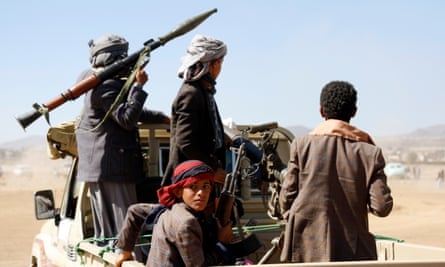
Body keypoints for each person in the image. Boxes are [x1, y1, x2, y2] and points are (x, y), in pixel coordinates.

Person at [278, 80, 393, 263]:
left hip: (306, 251)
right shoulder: (370, 152)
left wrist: (295, 219)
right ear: (354, 112)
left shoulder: (301, 146)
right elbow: (381, 207)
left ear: (321, 111)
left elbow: (286, 200)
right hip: (353, 254)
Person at [76, 33, 169, 245]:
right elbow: (126, 118)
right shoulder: (106, 85)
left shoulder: (98, 83)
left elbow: (128, 112)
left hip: (105, 166)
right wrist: (138, 87)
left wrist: (162, 118)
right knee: (125, 231)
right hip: (113, 167)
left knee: (111, 234)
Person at [115, 160, 235, 267]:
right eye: (193, 186)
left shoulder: (169, 209)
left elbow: (134, 211)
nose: (201, 193)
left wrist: (125, 252)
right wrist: (222, 243)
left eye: (206, 186)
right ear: (178, 191)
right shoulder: (187, 222)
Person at [161, 34, 228, 188]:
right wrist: (212, 168)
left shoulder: (204, 91)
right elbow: (185, 142)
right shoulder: (191, 93)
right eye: (220, 62)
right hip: (189, 181)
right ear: (212, 64)